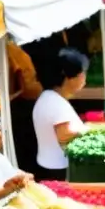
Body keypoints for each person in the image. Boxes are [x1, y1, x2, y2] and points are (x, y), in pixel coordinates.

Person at [33, 48, 88, 181]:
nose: (84, 77)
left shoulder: (48, 97)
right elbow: (64, 135)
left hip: (49, 165)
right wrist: (89, 131)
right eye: (82, 73)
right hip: (59, 170)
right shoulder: (55, 103)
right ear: (69, 78)